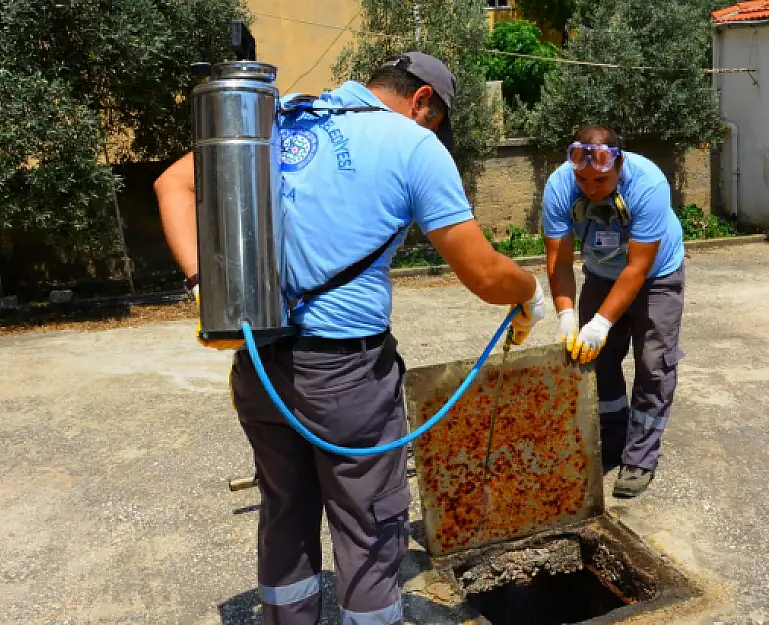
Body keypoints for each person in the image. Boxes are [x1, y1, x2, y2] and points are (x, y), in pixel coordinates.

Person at [153, 52, 546, 625]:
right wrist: (529, 291)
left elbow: (171, 184)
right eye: (435, 121)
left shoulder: (281, 115)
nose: (432, 131)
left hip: (258, 362)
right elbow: (484, 275)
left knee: (285, 510)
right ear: (422, 102)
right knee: (368, 522)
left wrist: (202, 286)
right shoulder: (412, 144)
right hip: (347, 378)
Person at [541, 125, 686, 499]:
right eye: (583, 178)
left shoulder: (648, 184)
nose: (590, 187)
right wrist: (567, 317)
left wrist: (600, 323)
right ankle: (613, 438)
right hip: (602, 273)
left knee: (654, 362)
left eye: (601, 179)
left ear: (618, 164)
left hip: (657, 275)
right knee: (595, 359)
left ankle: (640, 457)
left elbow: (637, 268)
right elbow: (558, 261)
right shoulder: (560, 186)